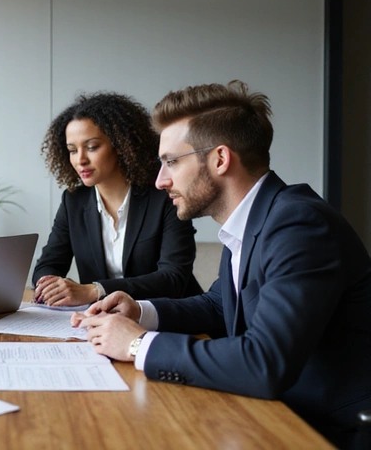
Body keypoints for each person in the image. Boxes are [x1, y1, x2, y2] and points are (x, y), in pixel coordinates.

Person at [72, 81, 371, 448]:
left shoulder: (300, 226)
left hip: (326, 430)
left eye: (171, 162)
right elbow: (218, 305)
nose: (160, 180)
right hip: (274, 413)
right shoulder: (252, 219)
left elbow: (264, 364)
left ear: (219, 159)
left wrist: (138, 345)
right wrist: (140, 312)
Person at [32, 92, 202, 307]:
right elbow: (48, 264)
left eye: (92, 147)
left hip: (172, 318)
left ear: (121, 145)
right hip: (104, 322)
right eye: (72, 150)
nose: (80, 159)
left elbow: (173, 278)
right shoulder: (73, 201)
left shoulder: (165, 196)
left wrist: (95, 290)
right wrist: (47, 284)